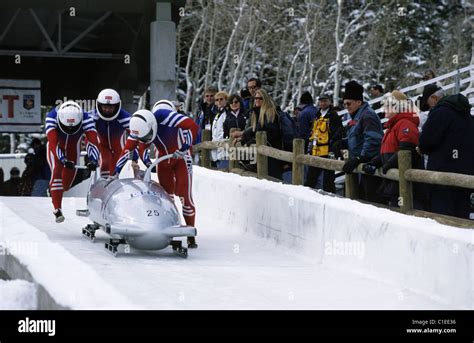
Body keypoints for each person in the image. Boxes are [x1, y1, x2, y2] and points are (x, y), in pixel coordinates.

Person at [114, 100, 200, 248]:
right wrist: (116, 172)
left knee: (184, 196)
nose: (146, 139)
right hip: (163, 160)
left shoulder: (164, 116)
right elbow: (129, 150)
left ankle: (191, 235)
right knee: (165, 196)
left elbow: (193, 126)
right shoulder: (137, 129)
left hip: (181, 158)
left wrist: (185, 146)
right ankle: (167, 227)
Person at [362, 91, 425, 208]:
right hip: (394, 183)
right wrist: (375, 163)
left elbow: (407, 151)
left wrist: (387, 165)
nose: (384, 108)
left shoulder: (405, 124)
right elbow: (387, 151)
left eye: (387, 105)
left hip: (405, 186)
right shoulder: (393, 125)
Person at [418, 92, 474, 219]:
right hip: (465, 175)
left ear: (436, 99)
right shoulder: (468, 117)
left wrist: (421, 148)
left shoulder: (440, 113)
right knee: (461, 214)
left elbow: (426, 141)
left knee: (442, 215)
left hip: (442, 173)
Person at [45, 100, 100, 223]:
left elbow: (93, 141)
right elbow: (53, 143)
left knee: (66, 184)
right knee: (57, 171)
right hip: (56, 147)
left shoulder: (86, 118)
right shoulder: (51, 117)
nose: (69, 129)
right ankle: (57, 209)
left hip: (73, 148)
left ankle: (55, 190)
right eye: (66, 126)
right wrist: (63, 159)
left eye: (73, 127)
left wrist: (93, 160)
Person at [341, 80, 384, 202]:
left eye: (348, 103)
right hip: (360, 164)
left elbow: (373, 140)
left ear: (359, 102)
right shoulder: (356, 115)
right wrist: (342, 143)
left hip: (369, 166)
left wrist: (360, 158)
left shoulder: (367, 115)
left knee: (369, 202)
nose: (346, 107)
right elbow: (356, 138)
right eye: (344, 104)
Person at [233, 89, 282, 179]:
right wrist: (244, 136)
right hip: (263, 152)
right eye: (255, 98)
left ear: (265, 99)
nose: (257, 100)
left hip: (271, 152)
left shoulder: (270, 112)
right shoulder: (256, 113)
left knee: (272, 180)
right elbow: (255, 129)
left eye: (260, 98)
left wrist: (247, 137)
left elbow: (266, 131)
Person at [305, 94, 344, 193]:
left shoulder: (333, 115)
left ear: (329, 102)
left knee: (328, 178)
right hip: (315, 150)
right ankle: (308, 195)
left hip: (328, 150)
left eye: (325, 101)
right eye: (321, 101)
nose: (323, 103)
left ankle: (330, 197)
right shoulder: (317, 115)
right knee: (311, 177)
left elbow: (339, 132)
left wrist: (333, 146)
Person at [92, 89, 132, 176]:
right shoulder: (93, 117)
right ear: (99, 106)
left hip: (120, 149)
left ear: (117, 106)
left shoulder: (125, 118)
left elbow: (135, 137)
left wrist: (134, 158)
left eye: (110, 107)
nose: (107, 110)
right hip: (102, 146)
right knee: (104, 164)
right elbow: (87, 134)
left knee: (118, 169)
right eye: (105, 107)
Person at [211, 91, 229, 169]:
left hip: (225, 150)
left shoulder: (228, 113)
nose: (219, 101)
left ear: (226, 100)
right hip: (216, 150)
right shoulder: (217, 114)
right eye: (217, 100)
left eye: (221, 99)